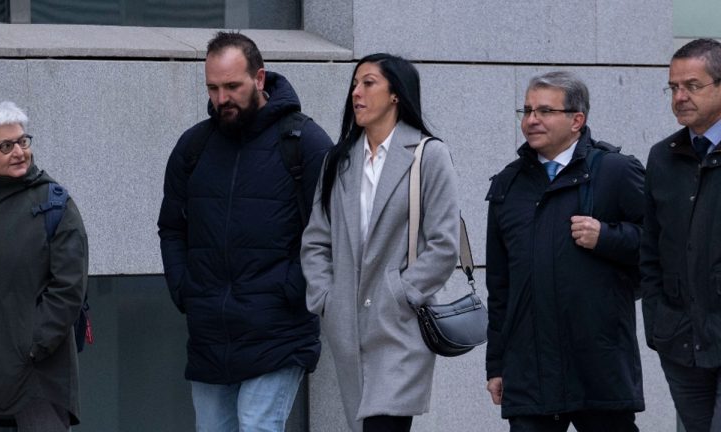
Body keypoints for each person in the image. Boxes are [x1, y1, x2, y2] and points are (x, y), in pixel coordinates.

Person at [157, 31, 332, 432]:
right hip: (210, 335)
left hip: (277, 331)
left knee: (257, 427)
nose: (222, 99)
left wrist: (292, 291)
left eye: (232, 86)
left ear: (259, 78)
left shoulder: (304, 142)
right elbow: (171, 228)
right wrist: (185, 289)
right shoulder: (193, 146)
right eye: (213, 88)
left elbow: (330, 233)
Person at [300, 53, 460, 432]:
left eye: (368, 83)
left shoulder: (428, 155)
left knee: (383, 425)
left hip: (399, 328)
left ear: (395, 95)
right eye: (354, 84)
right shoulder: (338, 161)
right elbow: (316, 241)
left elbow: (443, 245)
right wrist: (327, 297)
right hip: (348, 327)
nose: (356, 92)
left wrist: (400, 294)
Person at [485, 71, 645, 431]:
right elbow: (499, 286)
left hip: (599, 365)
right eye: (526, 110)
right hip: (530, 370)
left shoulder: (616, 171)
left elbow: (659, 245)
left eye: (544, 110)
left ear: (577, 120)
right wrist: (496, 365)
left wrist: (607, 236)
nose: (531, 120)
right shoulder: (507, 186)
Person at [0, 101, 88, 431]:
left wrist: (31, 345)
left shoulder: (55, 205)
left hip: (36, 381)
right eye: (5, 145)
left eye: (23, 141)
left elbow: (69, 289)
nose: (19, 152)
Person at [641, 38, 721, 432]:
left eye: (692, 85)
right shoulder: (662, 156)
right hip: (681, 340)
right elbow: (650, 250)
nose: (679, 96)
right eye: (673, 87)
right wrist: (657, 322)